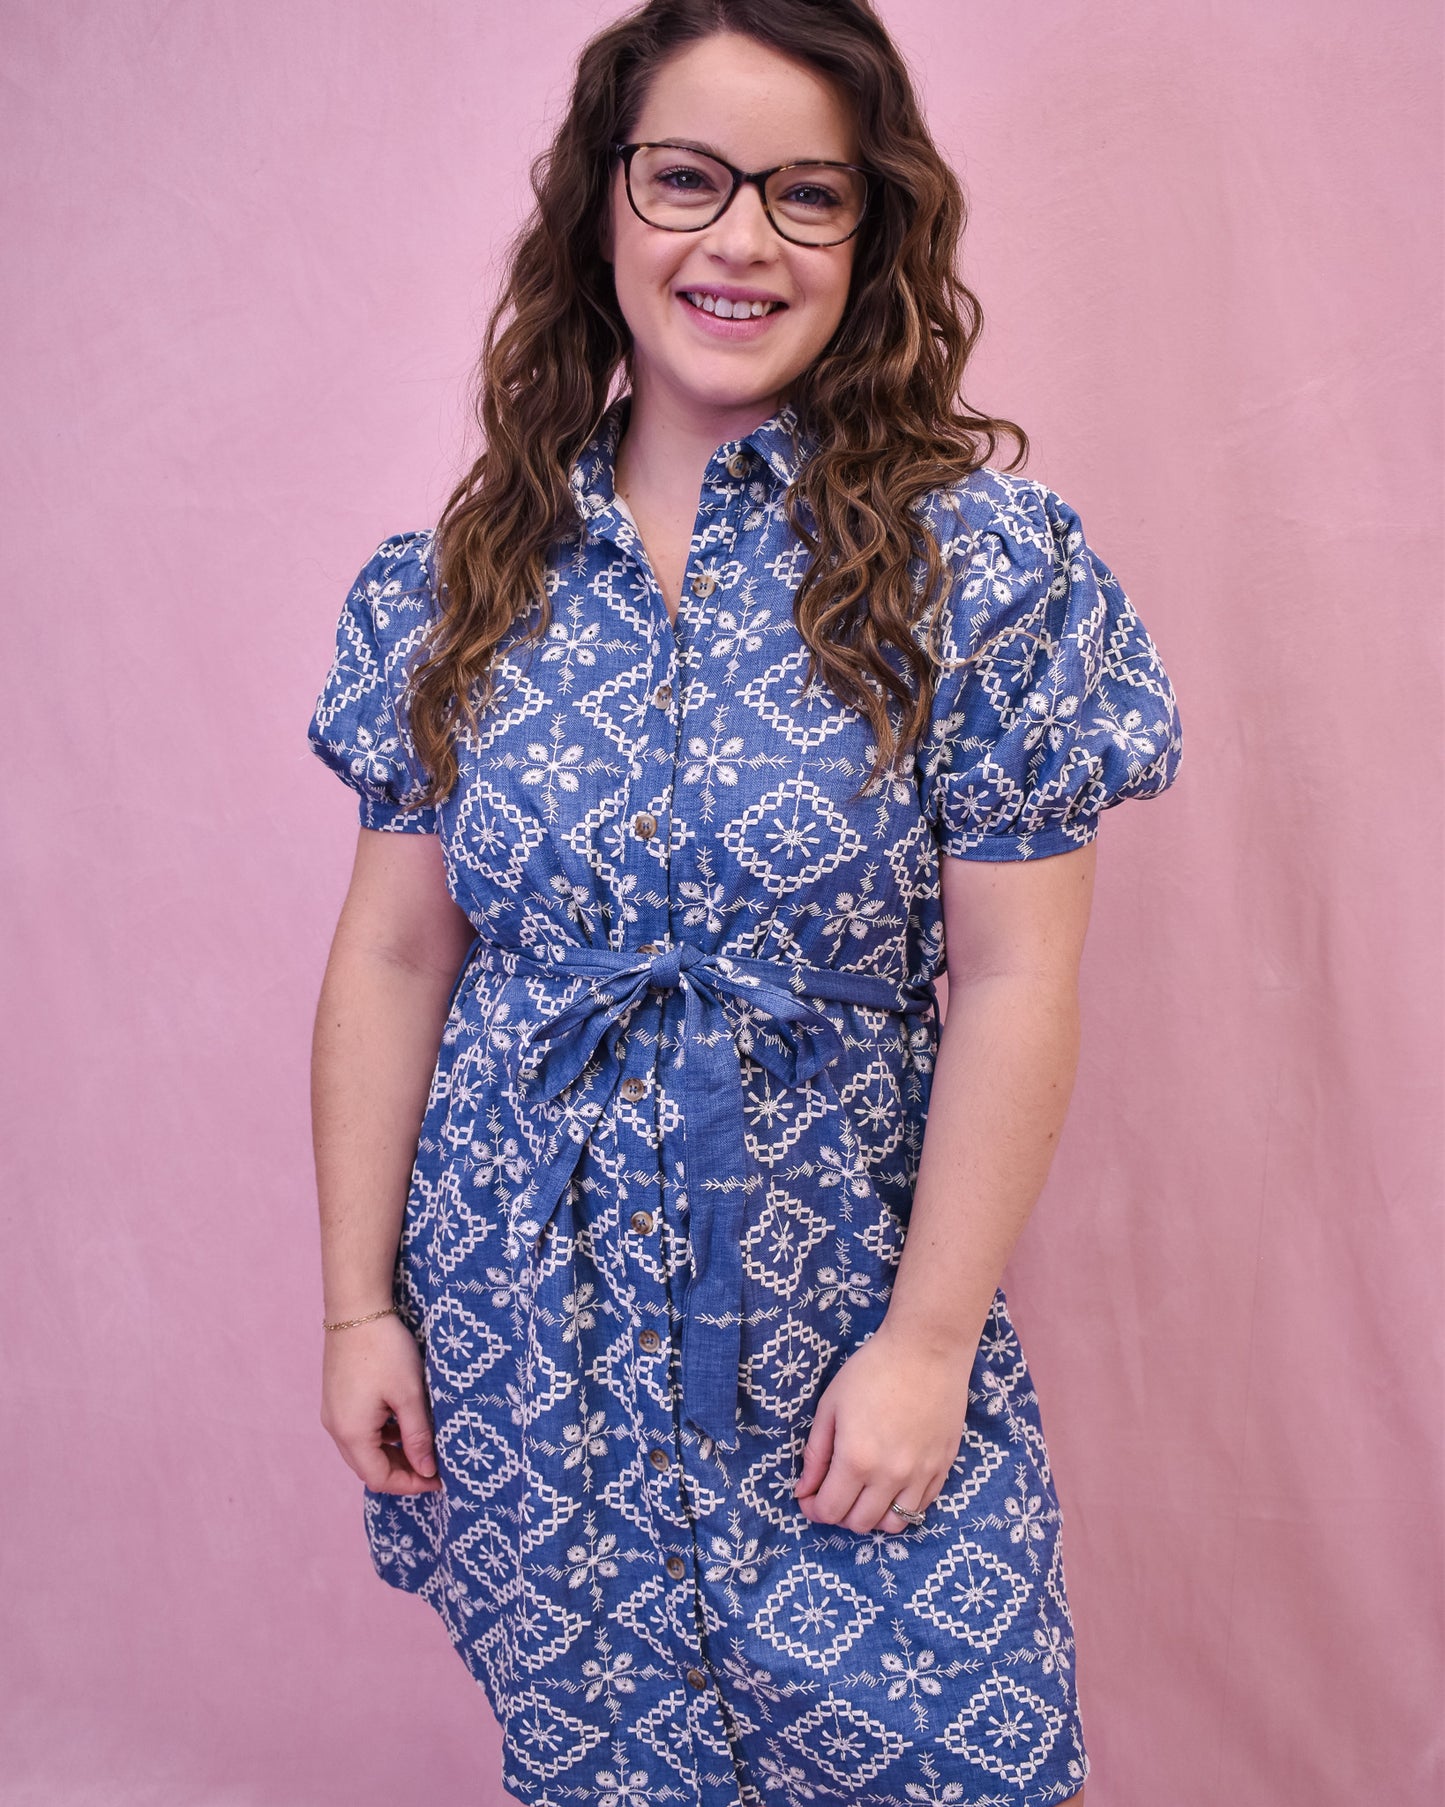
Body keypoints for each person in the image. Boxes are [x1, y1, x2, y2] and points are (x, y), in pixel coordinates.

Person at [306, 2, 1182, 1802]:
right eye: (687, 178)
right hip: (520, 1321)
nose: (738, 241)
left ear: (871, 242)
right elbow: (396, 954)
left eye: (807, 196)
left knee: (949, 1758)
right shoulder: (456, 581)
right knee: (611, 1772)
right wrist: (357, 1307)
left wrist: (927, 1346)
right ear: (602, 207)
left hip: (832, 1317)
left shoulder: (981, 568)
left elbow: (1014, 979)